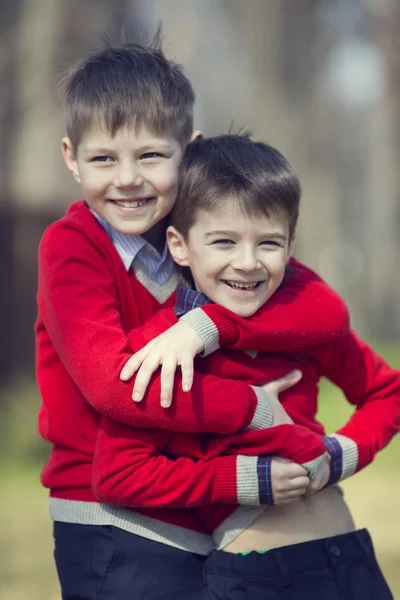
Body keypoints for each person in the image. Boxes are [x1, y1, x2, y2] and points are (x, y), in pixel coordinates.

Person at [36, 40, 354, 599]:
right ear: (70, 157)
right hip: (111, 514)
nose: (128, 180)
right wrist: (252, 407)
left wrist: (208, 325)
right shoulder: (72, 246)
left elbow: (323, 308)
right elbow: (115, 385)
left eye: (152, 156)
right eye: (103, 159)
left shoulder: (201, 235)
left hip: (197, 501)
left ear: (190, 149)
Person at [101, 134, 399, 599]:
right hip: (260, 579)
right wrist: (245, 481)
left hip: (352, 561)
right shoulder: (160, 352)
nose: (247, 262)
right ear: (180, 246)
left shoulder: (306, 328)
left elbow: (388, 393)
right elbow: (119, 475)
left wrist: (340, 456)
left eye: (268, 243)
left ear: (291, 244)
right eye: (223, 241)